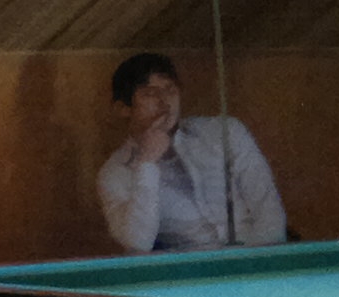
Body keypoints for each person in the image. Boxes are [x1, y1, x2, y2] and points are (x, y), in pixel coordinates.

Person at [93, 52, 287, 253]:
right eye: (150, 93)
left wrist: (261, 261)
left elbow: (268, 208)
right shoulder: (115, 173)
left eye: (170, 90)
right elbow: (138, 243)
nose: (165, 101)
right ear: (123, 108)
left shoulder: (224, 132)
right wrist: (147, 163)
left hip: (254, 256)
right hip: (189, 268)